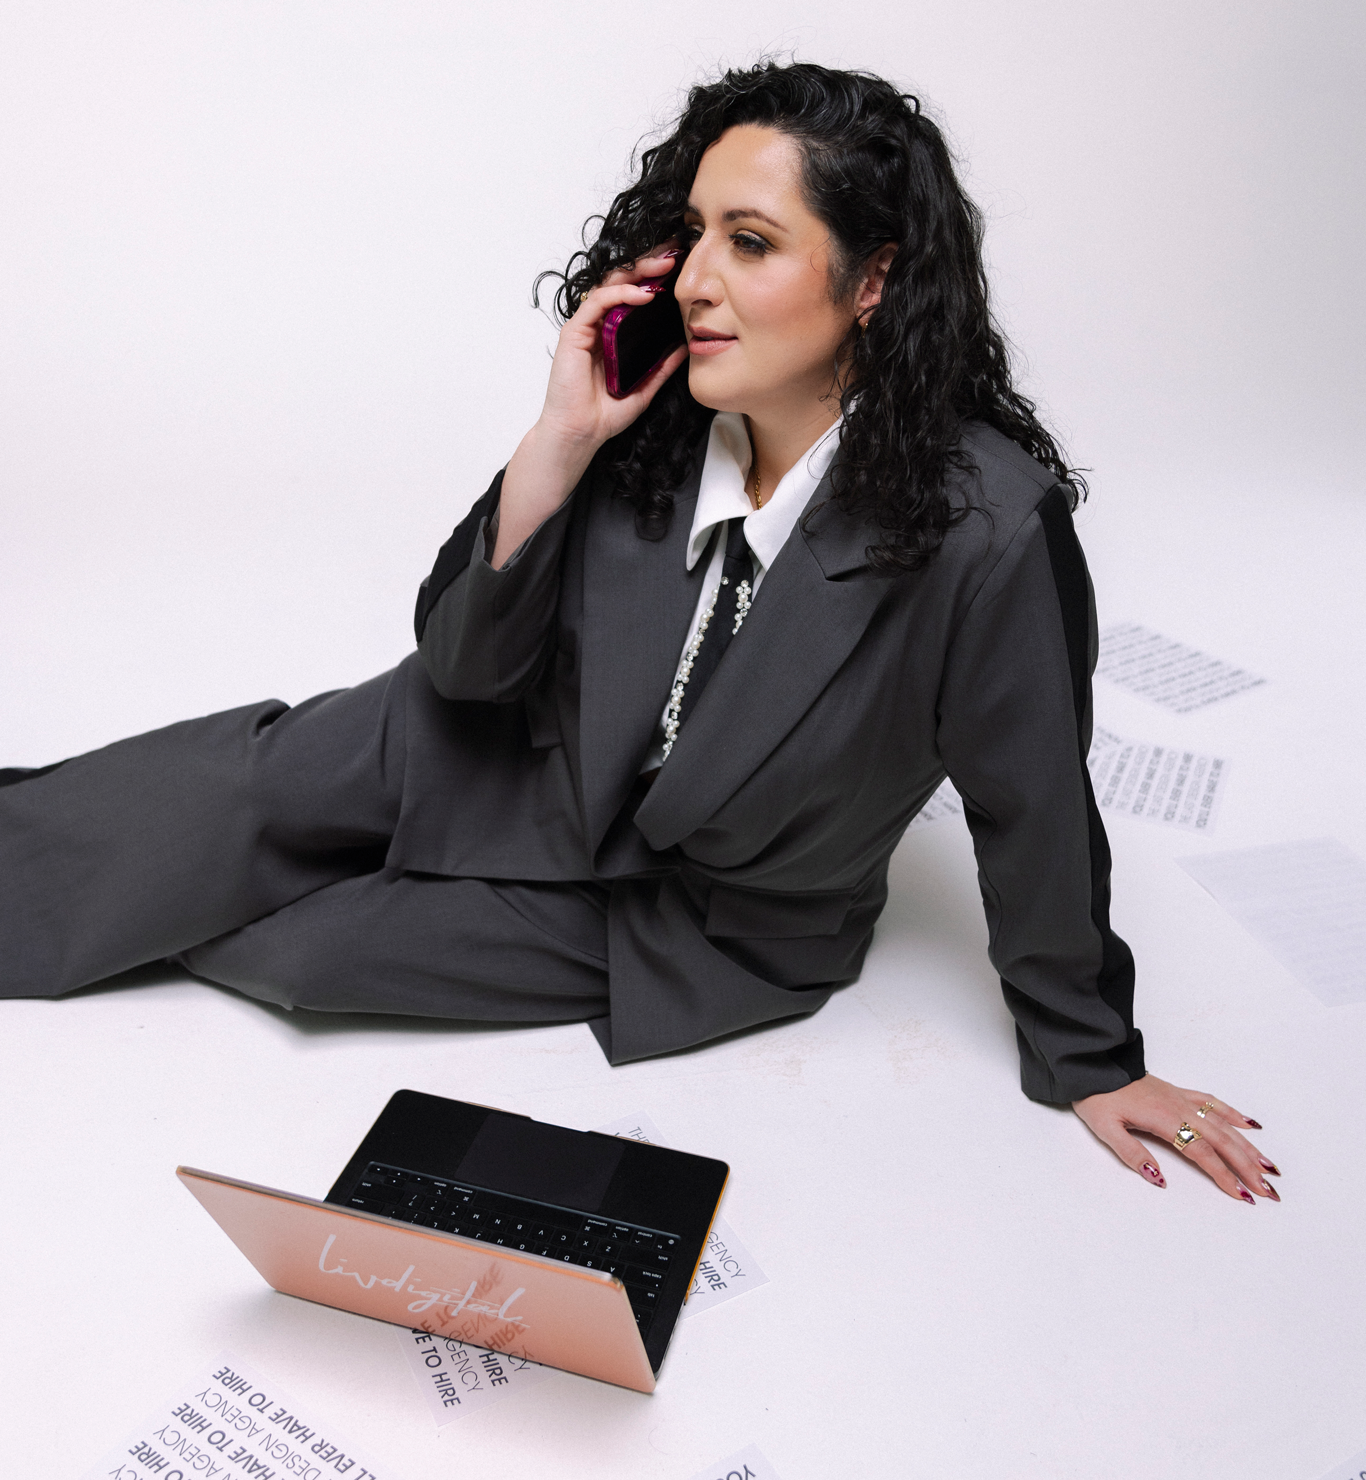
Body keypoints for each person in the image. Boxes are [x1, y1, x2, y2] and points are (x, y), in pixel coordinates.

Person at [0, 61, 1279, 1205]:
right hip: (501, 742)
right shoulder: (661, 407)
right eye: (696, 231)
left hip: (697, 905)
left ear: (874, 276)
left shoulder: (986, 530)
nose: (702, 278)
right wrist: (564, 437)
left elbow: (1033, 802)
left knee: (308, 953)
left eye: (754, 240)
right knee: (222, 795)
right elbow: (465, 666)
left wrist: (1091, 1059)